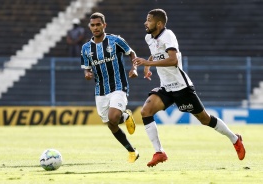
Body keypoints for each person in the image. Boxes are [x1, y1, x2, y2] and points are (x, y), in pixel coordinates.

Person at [133, 9, 246, 167]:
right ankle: (159, 152)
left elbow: (172, 60)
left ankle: (235, 138)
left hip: (181, 87)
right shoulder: (148, 37)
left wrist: (148, 63)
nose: (145, 22)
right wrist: (148, 65)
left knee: (205, 119)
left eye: (149, 20)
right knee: (146, 111)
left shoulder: (168, 35)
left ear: (159, 24)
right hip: (166, 87)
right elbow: (156, 51)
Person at [81, 12, 139, 163]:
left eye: (98, 24)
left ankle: (123, 115)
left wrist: (134, 68)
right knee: (111, 124)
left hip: (119, 85)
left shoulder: (115, 41)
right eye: (92, 25)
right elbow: (86, 68)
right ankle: (132, 151)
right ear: (89, 27)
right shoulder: (86, 48)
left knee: (114, 117)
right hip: (100, 90)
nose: (95, 27)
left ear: (104, 25)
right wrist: (87, 73)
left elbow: (131, 53)